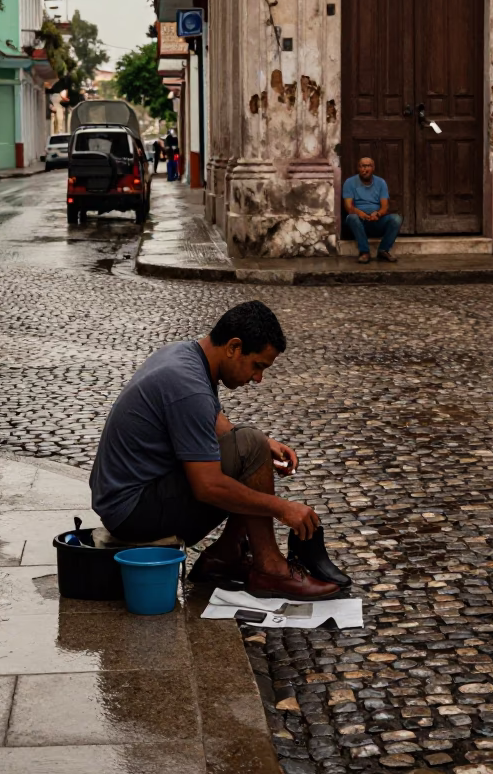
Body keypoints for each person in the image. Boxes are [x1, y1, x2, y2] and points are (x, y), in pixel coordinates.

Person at [89, 300, 348, 600]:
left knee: (253, 444)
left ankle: (226, 556)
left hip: (125, 497)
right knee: (250, 445)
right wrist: (282, 509)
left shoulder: (185, 355)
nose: (258, 378)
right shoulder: (189, 386)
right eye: (257, 366)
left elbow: (214, 422)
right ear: (234, 347)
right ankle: (269, 569)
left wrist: (265, 446)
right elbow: (208, 487)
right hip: (132, 512)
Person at [342, 156, 403, 264]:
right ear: (358, 168)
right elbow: (348, 207)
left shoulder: (381, 183)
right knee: (352, 217)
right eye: (362, 166)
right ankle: (364, 252)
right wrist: (361, 213)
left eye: (368, 166)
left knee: (396, 219)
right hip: (360, 222)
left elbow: (385, 207)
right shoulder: (350, 182)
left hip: (376, 220)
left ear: (373, 168)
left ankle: (383, 250)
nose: (365, 169)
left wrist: (378, 214)